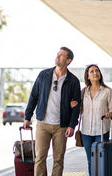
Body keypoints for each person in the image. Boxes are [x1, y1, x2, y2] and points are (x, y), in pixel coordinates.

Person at [23, 47, 81, 176]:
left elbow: (76, 106)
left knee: (58, 159)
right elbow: (34, 96)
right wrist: (27, 117)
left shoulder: (73, 81)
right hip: (43, 123)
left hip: (62, 126)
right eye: (57, 54)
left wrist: (72, 125)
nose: (57, 56)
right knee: (40, 158)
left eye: (61, 55)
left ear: (68, 60)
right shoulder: (44, 75)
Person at [79, 64, 112, 176]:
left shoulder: (107, 91)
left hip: (101, 131)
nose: (95, 73)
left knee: (102, 160)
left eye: (97, 71)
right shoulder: (83, 92)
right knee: (90, 160)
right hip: (86, 132)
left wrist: (111, 113)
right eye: (92, 71)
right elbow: (80, 110)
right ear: (87, 76)